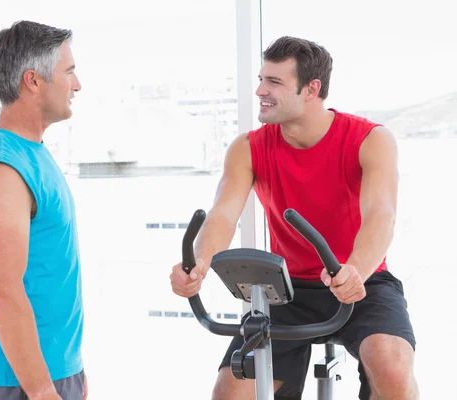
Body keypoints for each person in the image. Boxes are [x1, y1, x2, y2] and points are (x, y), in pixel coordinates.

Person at [170, 36, 418, 400]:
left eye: (273, 82)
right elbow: (223, 214)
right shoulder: (248, 148)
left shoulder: (370, 139)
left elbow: (381, 215)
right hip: (286, 291)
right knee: (230, 392)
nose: (259, 90)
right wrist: (199, 263)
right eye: (260, 79)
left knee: (392, 366)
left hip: (362, 281)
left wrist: (356, 270)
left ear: (311, 89)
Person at [0, 21, 86, 400]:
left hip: (55, 372)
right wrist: (43, 390)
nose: (77, 85)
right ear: (33, 80)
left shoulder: (34, 154)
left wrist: (72, 370)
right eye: (69, 72)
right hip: (22, 382)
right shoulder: (1, 167)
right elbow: (2, 291)